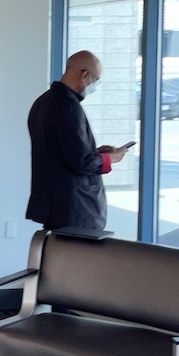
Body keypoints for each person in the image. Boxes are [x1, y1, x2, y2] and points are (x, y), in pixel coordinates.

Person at [26, 50, 129, 232]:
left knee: (57, 256)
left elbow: (60, 151)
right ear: (84, 74)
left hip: (54, 203)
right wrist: (110, 158)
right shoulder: (68, 107)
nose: (94, 85)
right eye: (95, 79)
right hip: (75, 208)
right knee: (78, 258)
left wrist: (96, 152)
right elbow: (82, 162)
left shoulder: (43, 102)